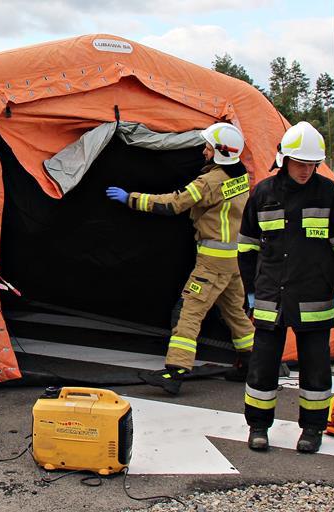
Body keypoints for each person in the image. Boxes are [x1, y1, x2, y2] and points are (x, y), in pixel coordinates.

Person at [238, 121, 334, 453]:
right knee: (262, 365)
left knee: (316, 368)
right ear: (285, 160)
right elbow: (247, 247)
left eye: (312, 165)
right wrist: (249, 290)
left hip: (314, 297)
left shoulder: (328, 193)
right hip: (269, 297)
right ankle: (258, 426)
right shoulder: (263, 194)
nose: (307, 171)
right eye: (301, 164)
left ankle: (312, 429)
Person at [106, 122, 255, 395]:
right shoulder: (240, 176)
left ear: (220, 151)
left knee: (189, 312)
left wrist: (132, 198)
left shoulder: (210, 181)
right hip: (233, 260)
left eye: (208, 147)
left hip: (212, 261)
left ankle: (174, 372)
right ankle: (254, 363)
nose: (204, 151)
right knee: (235, 312)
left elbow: (174, 203)